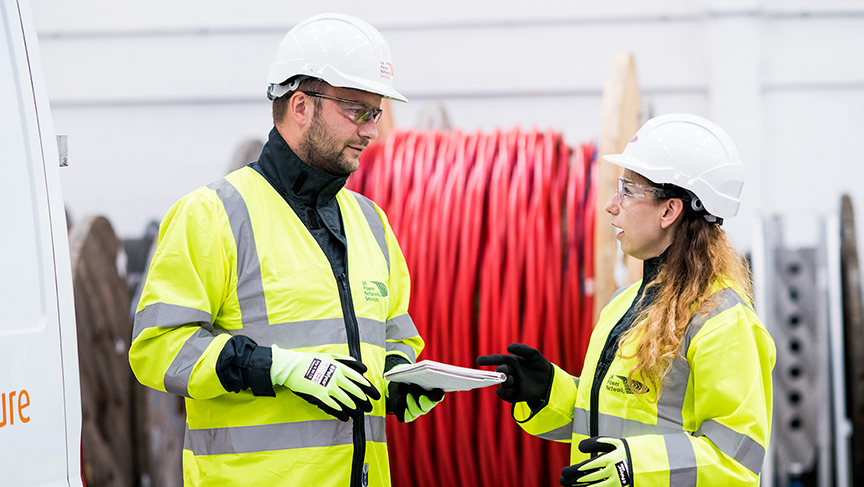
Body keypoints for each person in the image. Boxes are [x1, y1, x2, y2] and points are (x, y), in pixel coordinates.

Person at [129, 13, 444, 487]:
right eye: (357, 111)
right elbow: (157, 348)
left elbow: (397, 335)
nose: (371, 130)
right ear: (301, 106)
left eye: (375, 112)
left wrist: (401, 377)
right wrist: (272, 366)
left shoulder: (371, 222)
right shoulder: (212, 214)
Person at [478, 113, 775, 486]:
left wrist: (634, 468)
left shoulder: (723, 321)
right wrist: (548, 392)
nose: (611, 205)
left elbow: (735, 462)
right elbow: (609, 420)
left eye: (628, 191)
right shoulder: (624, 304)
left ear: (670, 210)